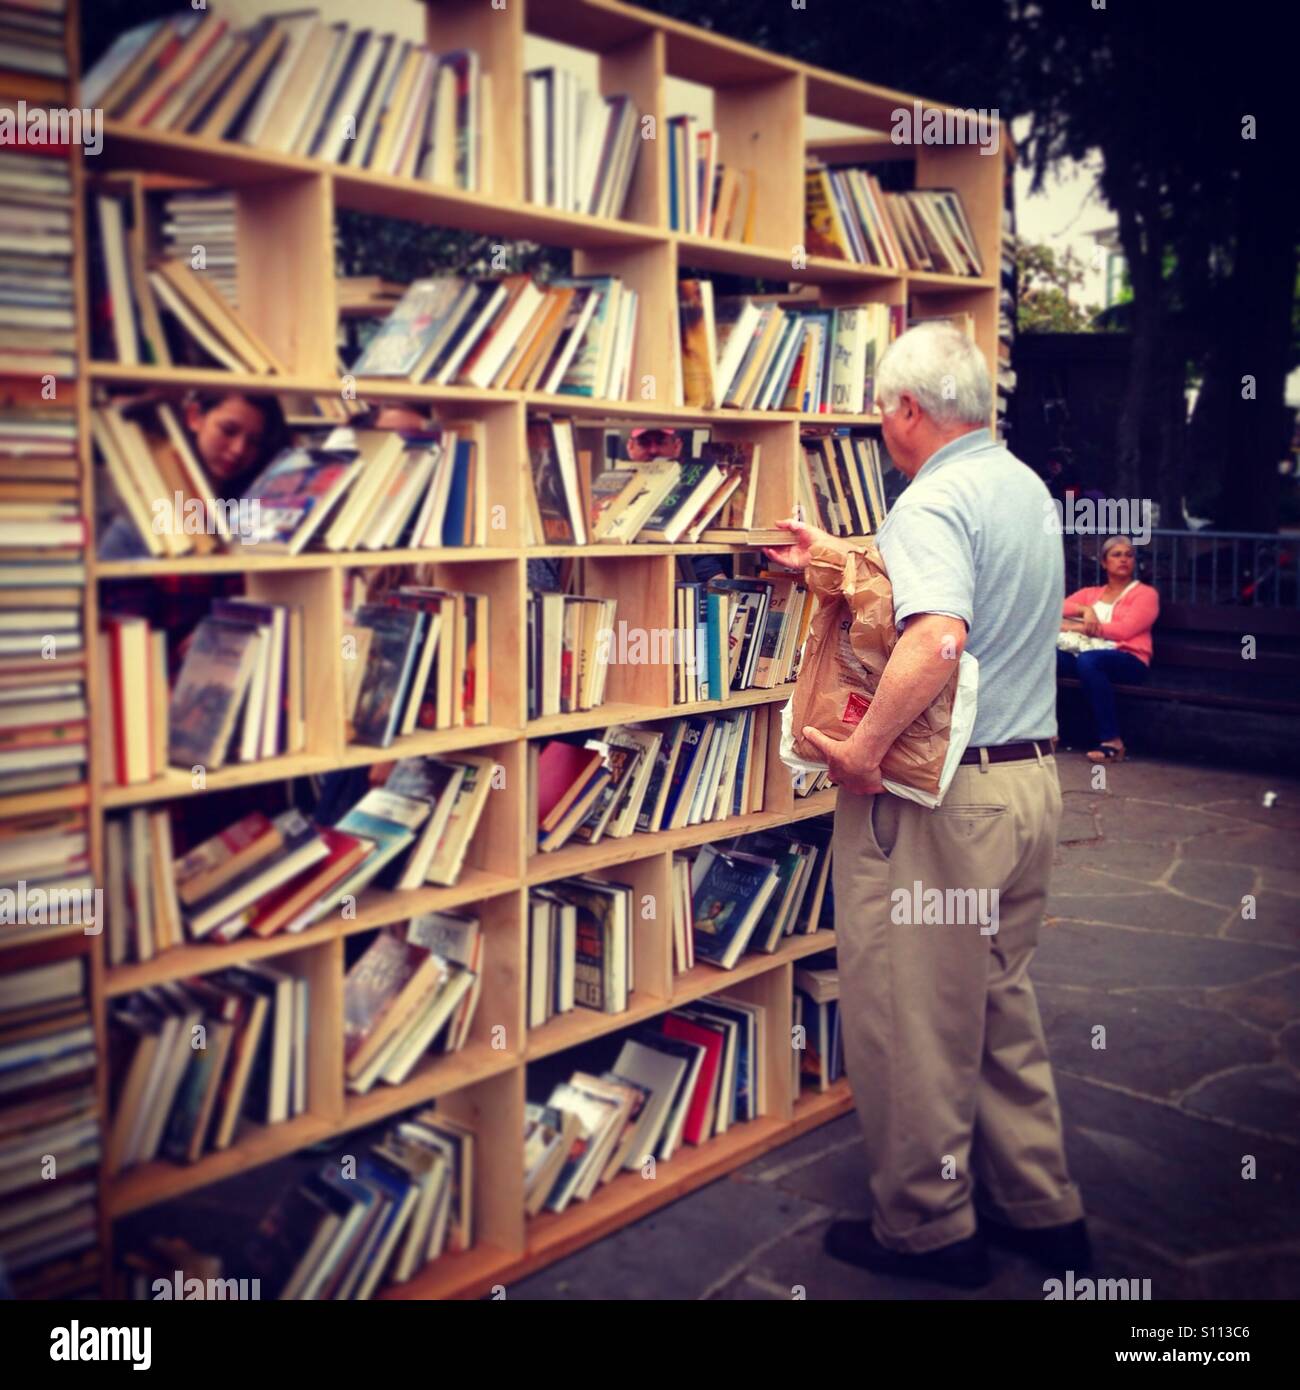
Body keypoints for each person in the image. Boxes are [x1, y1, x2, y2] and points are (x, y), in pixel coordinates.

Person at [762, 322, 1086, 1288]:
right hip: (1028, 785)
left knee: (909, 1017)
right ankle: (1042, 1206)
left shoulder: (931, 500)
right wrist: (836, 554)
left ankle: (929, 1228)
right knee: (994, 1000)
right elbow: (958, 589)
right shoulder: (1019, 487)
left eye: (880, 406)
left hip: (941, 806)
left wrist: (861, 751)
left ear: (907, 410)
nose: (878, 423)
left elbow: (939, 632)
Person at [97, 391, 286, 559]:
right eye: (228, 431)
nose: (239, 450)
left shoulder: (249, 509)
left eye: (253, 442)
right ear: (194, 417)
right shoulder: (146, 512)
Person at [1058, 535, 1159, 763]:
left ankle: (1112, 741)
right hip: (1086, 657)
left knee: (1090, 661)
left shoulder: (1145, 595)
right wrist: (1085, 610)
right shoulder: (1090, 594)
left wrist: (1078, 626)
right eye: (1116, 554)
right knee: (1046, 657)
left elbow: (1125, 630)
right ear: (1104, 562)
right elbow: (1055, 610)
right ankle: (1046, 731)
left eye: (1129, 555)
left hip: (1128, 659)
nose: (1123, 559)